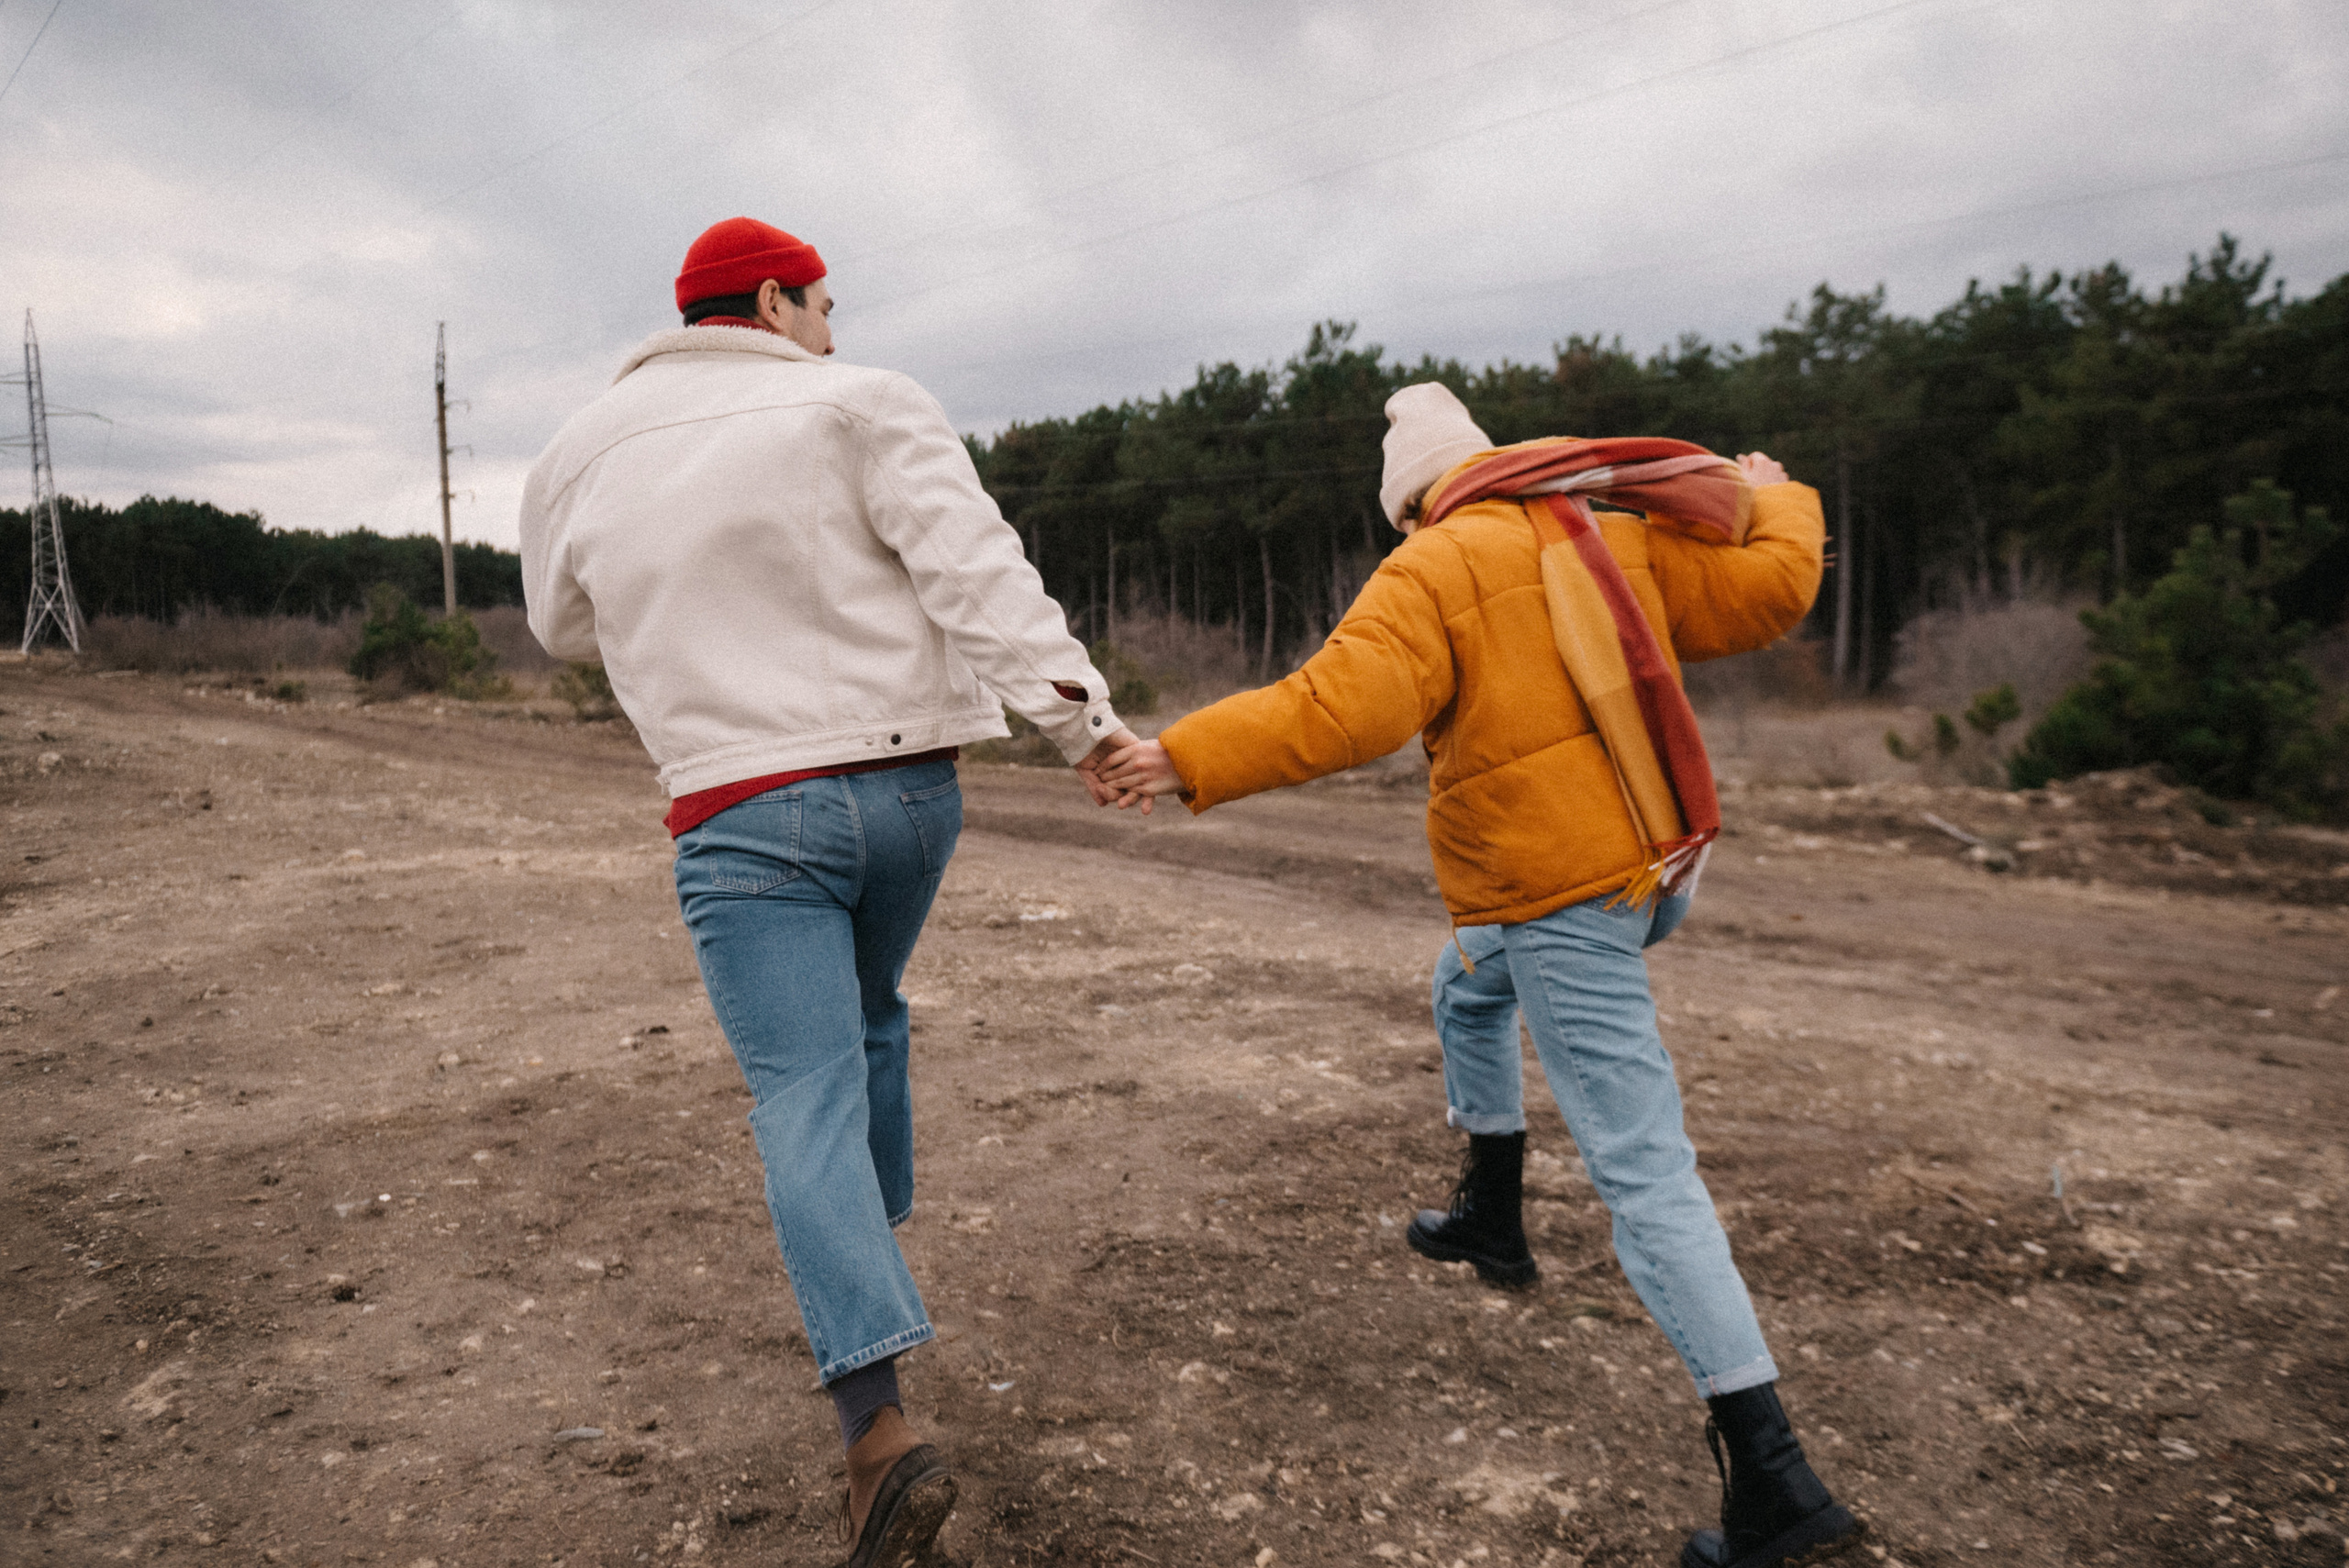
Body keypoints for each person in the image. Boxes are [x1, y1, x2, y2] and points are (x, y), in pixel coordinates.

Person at [1096, 384, 1863, 1568]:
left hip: (1563, 899)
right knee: (1462, 982)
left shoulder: (1432, 568)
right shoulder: (1601, 528)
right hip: (1649, 862)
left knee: (1647, 1176)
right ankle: (1492, 1215)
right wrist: (1781, 496)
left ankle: (1776, 1479)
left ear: (1410, 504)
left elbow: (1332, 709)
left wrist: (1177, 755)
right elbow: (1772, 592)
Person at [518, 216, 1138, 1568]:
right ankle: (868, 1235)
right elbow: (977, 573)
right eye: (822, 304)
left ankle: (876, 1435)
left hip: (744, 812)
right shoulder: (864, 403)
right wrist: (1083, 726)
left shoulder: (579, 452)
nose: (834, 329)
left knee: (803, 1090)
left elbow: (557, 626)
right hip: (909, 797)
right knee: (866, 1018)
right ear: (770, 301)